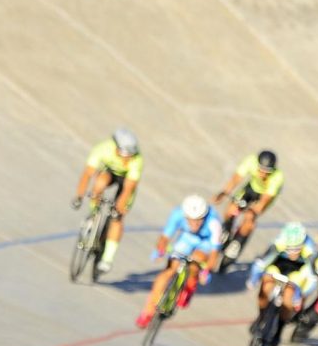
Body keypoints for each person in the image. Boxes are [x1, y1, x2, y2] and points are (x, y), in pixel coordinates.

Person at [135, 194, 222, 329]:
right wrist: (161, 249)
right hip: (186, 239)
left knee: (196, 261)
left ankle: (190, 284)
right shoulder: (177, 214)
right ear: (185, 216)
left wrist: (206, 270)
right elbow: (165, 236)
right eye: (191, 220)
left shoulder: (214, 223)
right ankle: (147, 311)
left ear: (204, 216)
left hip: (205, 243)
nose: (194, 224)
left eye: (199, 220)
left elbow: (214, 253)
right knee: (170, 269)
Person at [71, 129, 143, 274]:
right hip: (108, 172)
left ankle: (107, 258)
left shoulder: (137, 160)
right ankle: (93, 214)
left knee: (118, 217)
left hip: (126, 180)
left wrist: (120, 207)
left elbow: (128, 188)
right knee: (99, 183)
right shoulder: (102, 149)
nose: (126, 159)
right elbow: (87, 174)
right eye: (124, 155)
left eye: (130, 156)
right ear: (116, 147)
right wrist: (79, 196)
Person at [246, 222, 316, 346]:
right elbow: (261, 263)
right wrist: (253, 280)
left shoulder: (310, 249)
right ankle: (261, 317)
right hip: (279, 265)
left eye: (297, 249)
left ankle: (279, 330)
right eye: (290, 249)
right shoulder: (279, 243)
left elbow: (312, 279)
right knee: (266, 284)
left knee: (289, 295)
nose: (293, 252)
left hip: (298, 270)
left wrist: (302, 296)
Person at [212, 150, 284, 262]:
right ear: (257, 165)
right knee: (231, 208)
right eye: (261, 170)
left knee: (249, 218)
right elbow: (236, 179)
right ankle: (227, 229)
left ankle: (237, 242)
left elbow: (264, 200)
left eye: (267, 172)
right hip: (251, 189)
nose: (264, 174)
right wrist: (224, 193)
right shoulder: (250, 161)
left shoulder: (277, 177)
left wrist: (253, 211)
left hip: (264, 196)